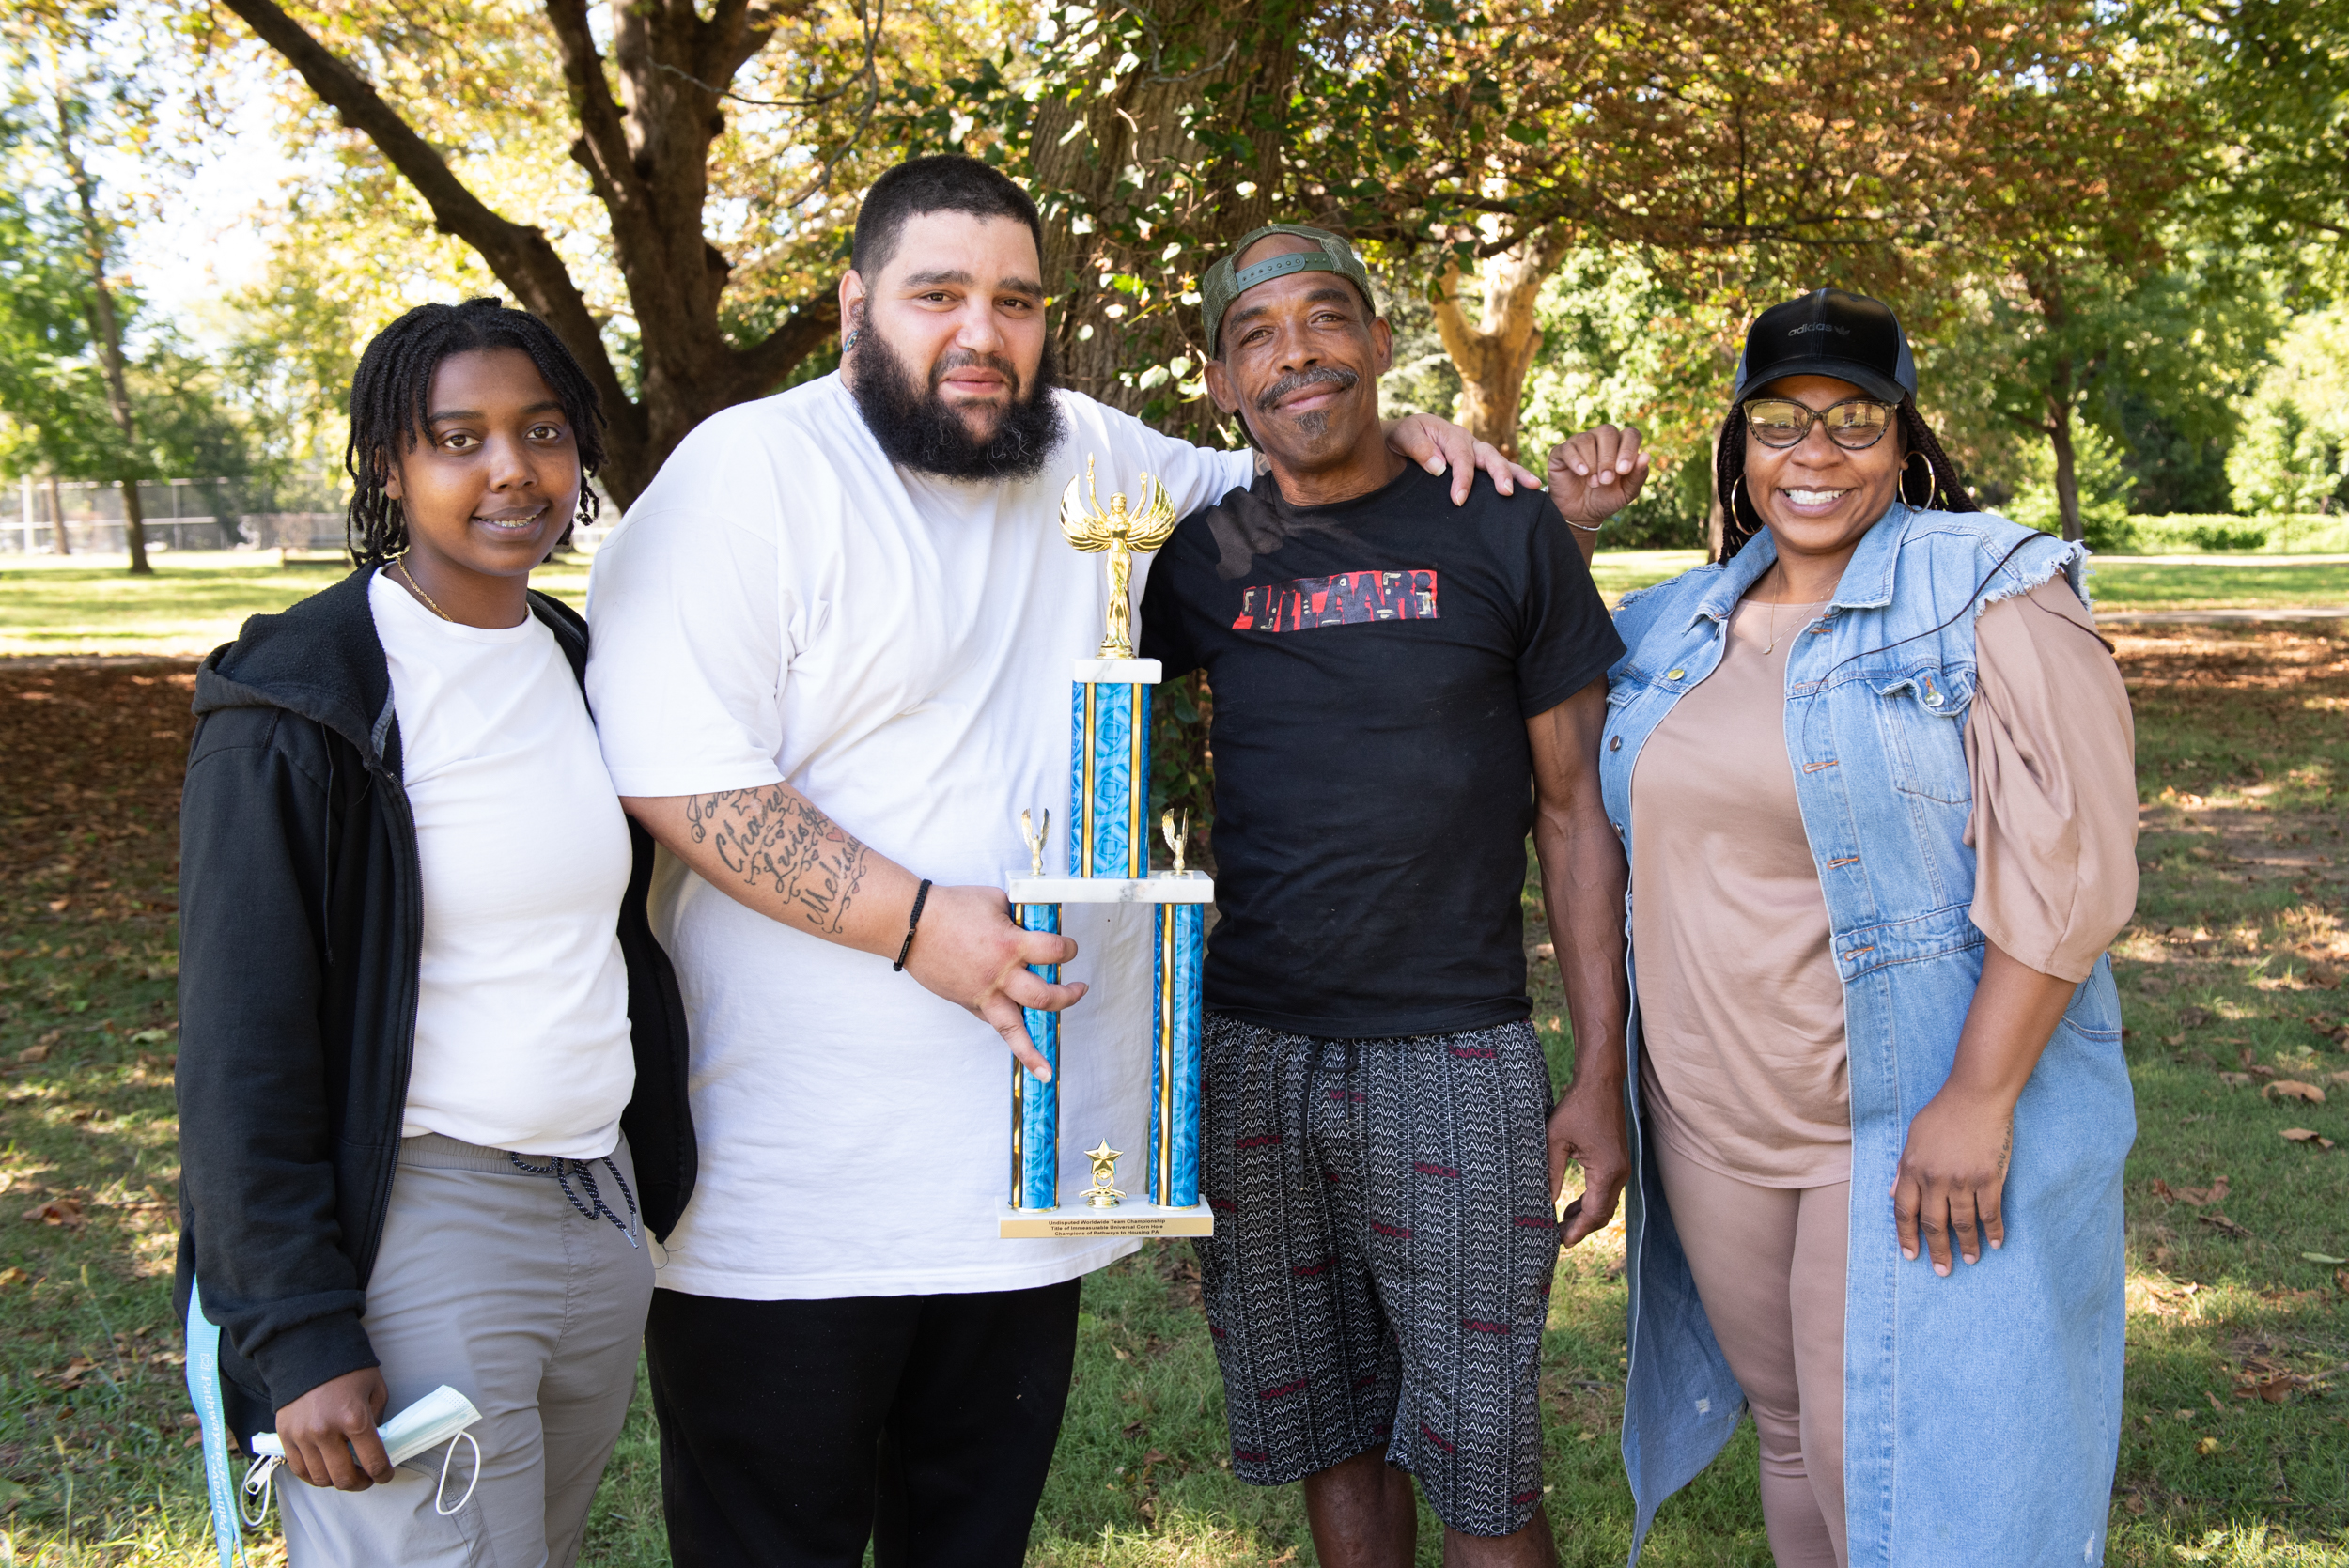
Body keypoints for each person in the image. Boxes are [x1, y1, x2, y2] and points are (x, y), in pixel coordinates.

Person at [580, 157, 1532, 1566]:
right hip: (785, 1195)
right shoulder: (749, 471)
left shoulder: (1088, 455)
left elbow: (1298, 460)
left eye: (1015, 300)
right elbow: (675, 772)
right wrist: (918, 925)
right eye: (937, 295)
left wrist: (1422, 428)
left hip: (1033, 1180)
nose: (982, 332)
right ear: (854, 305)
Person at [1134, 224, 1648, 1566]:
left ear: (1378, 341)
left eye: (1324, 319)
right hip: (1252, 1050)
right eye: (1257, 333)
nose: (1296, 351)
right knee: (1331, 1434)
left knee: (1485, 1466)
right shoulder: (1195, 562)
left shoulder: (1508, 527)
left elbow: (1575, 811)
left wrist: (1597, 1072)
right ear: (1218, 380)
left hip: (1453, 1050)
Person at [1603, 288, 2138, 1566]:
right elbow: (1539, 731)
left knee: (1883, 1453)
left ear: (1904, 440)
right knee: (1788, 1432)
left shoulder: (1992, 590)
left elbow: (2078, 865)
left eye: (1854, 422)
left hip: (1897, 1104)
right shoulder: (1670, 622)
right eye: (1782, 424)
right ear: (1739, 442)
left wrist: (1979, 1094)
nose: (1815, 456)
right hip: (1714, 1110)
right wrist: (1563, 516)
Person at [174, 297, 693, 1566]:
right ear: (389, 466)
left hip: (595, 1211)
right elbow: (242, 1040)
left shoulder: (580, 660)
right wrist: (298, 1331)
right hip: (423, 1226)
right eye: (458, 438)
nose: (512, 468)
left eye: (544, 430)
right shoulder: (301, 702)